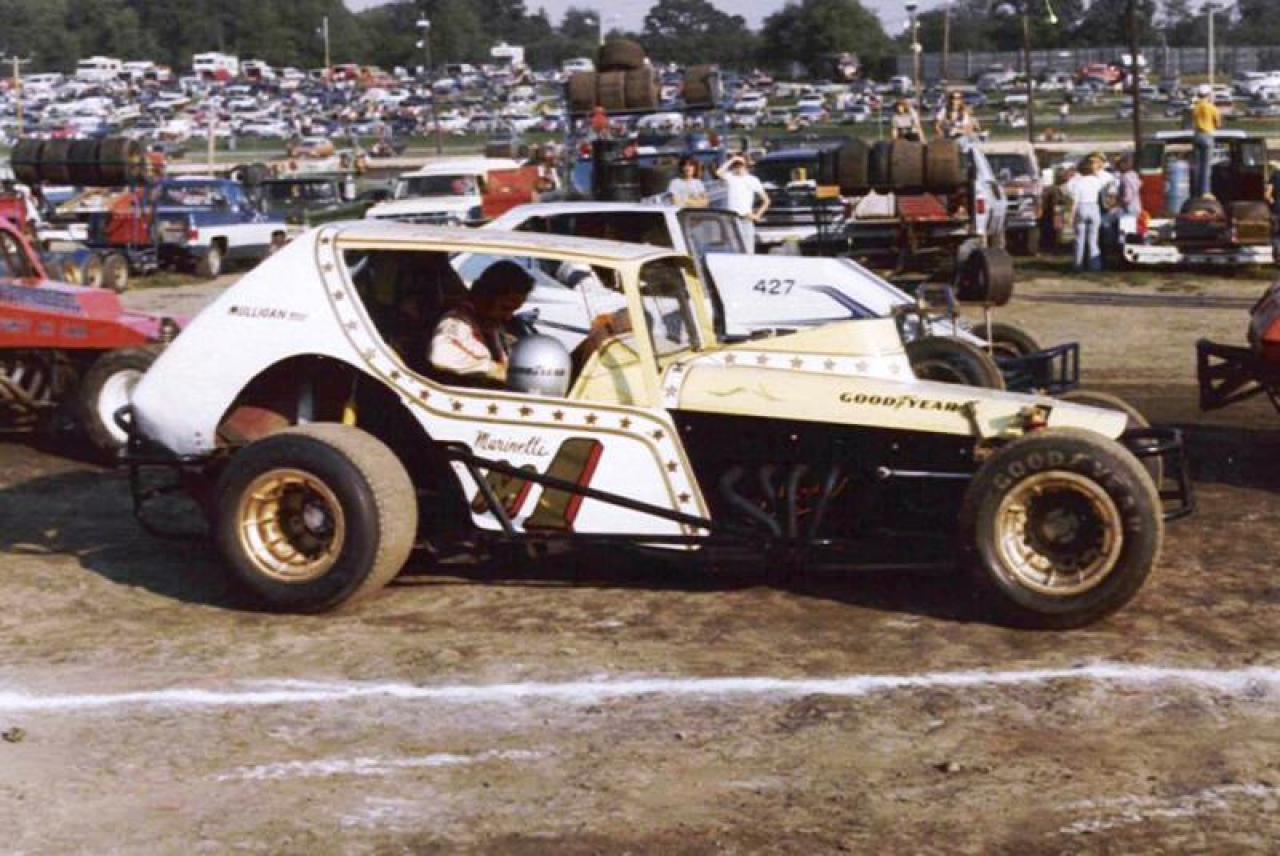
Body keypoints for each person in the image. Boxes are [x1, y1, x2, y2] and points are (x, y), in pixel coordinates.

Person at [427, 260, 534, 386]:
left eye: (513, 310)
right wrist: (494, 370)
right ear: (484, 296)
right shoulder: (457, 320)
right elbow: (441, 355)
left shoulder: (491, 326)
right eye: (505, 308)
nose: (508, 317)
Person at [1066, 155, 1110, 272]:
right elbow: (1106, 183)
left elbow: (1075, 201)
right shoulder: (1097, 181)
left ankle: (1078, 265)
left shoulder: (1078, 183)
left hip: (1082, 207)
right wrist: (1098, 167)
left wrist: (1071, 216)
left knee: (1079, 239)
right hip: (1094, 207)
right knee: (1093, 239)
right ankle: (1095, 266)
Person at [716, 155, 770, 248]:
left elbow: (766, 200)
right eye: (736, 165)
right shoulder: (731, 177)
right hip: (732, 218)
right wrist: (732, 160)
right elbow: (718, 172)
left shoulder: (753, 180)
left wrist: (757, 215)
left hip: (746, 218)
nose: (738, 167)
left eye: (740, 165)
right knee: (734, 248)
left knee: (748, 249)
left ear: (746, 165)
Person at [1192, 84, 1221, 198]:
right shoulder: (1212, 108)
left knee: (1197, 166)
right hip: (1207, 135)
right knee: (1206, 167)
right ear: (1208, 95)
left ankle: (1196, 192)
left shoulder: (1196, 107)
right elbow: (1218, 124)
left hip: (1197, 135)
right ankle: (1205, 192)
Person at [1264, 162, 1280, 263]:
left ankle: (1277, 256)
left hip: (1278, 208)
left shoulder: (1275, 175)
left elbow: (1267, 195)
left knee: (1276, 234)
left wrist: (1273, 203)